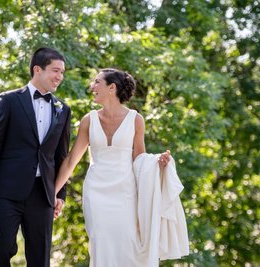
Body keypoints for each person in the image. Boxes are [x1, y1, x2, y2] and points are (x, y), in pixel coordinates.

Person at [54, 68, 183, 266]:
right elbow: (72, 160)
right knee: (100, 243)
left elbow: (140, 160)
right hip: (95, 193)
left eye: (97, 82)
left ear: (111, 88)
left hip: (125, 192)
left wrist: (158, 163)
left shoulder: (136, 120)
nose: (92, 87)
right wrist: (52, 193)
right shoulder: (89, 120)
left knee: (129, 245)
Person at [0, 47, 71, 267]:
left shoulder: (62, 109)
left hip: (43, 192)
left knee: (40, 256)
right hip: (6, 190)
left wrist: (60, 193)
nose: (60, 77)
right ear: (37, 69)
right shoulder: (8, 101)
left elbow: (61, 155)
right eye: (55, 71)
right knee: (1, 248)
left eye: (62, 72)